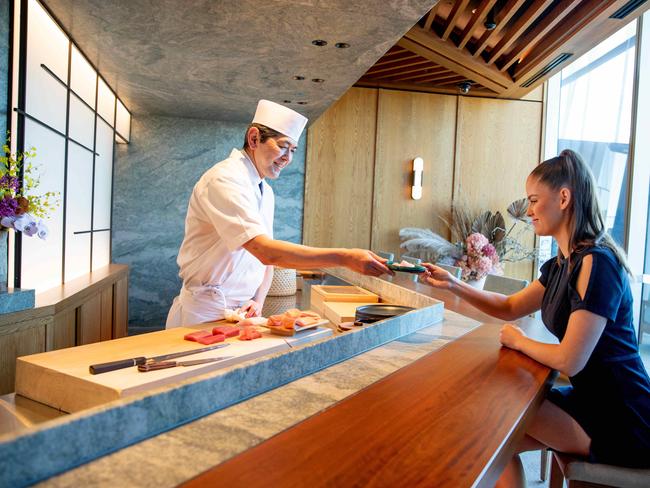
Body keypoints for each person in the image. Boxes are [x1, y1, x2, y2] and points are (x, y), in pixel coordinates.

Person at [422, 149, 650, 485]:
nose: (528, 211)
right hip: (591, 402)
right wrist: (454, 284)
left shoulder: (597, 263)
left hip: (621, 418)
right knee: (492, 440)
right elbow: (510, 306)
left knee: (493, 418)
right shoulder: (563, 262)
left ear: (563, 198)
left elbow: (570, 360)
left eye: (533, 200)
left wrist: (520, 340)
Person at [166, 99, 392, 328]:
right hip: (204, 312)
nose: (288, 158)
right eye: (283, 146)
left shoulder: (266, 191)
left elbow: (265, 261)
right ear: (254, 139)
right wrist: (345, 257)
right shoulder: (224, 179)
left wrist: (258, 299)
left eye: (293, 150)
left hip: (243, 313)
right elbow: (266, 252)